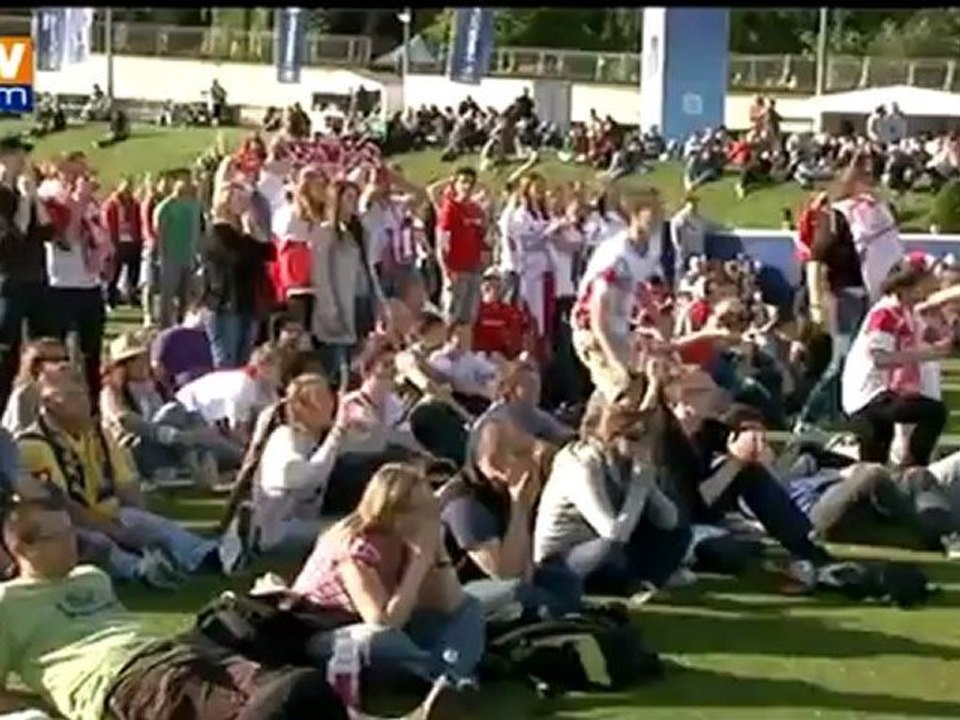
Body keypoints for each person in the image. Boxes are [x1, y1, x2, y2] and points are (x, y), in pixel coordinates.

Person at [0, 497, 359, 720]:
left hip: (175, 651)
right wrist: (47, 704)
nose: (73, 542)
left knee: (309, 690)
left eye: (71, 532)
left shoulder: (91, 577)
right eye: (58, 537)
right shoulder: (8, 602)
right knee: (286, 697)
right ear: (22, 548)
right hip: (124, 680)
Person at [16, 370, 250, 586]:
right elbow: (61, 508)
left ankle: (211, 555)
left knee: (144, 522)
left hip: (108, 515)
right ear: (48, 404)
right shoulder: (34, 445)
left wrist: (142, 529)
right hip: (65, 526)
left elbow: (127, 488)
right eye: (73, 396)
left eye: (84, 395)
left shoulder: (99, 435)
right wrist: (116, 532)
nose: (85, 403)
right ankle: (143, 571)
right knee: (97, 543)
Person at [291, 463, 485, 702]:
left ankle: (445, 678)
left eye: (430, 508)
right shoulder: (355, 546)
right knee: (382, 641)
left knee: (469, 607)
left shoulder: (406, 539)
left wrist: (439, 552)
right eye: (418, 510)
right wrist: (419, 563)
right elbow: (383, 623)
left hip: (391, 622)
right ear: (390, 511)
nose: (427, 517)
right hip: (328, 630)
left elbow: (450, 603)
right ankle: (448, 675)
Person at [534, 382, 689, 601]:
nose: (641, 443)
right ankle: (632, 583)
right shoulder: (581, 463)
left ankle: (641, 581)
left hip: (607, 542)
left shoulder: (626, 461)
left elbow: (669, 520)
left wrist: (649, 485)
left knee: (677, 531)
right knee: (611, 549)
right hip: (564, 557)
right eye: (632, 436)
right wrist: (638, 487)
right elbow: (612, 533)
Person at [441, 416, 582, 617]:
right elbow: (506, 575)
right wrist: (520, 506)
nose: (534, 457)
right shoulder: (464, 504)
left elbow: (527, 565)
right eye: (522, 453)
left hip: (513, 575)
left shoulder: (506, 489)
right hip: (465, 592)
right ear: (494, 464)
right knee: (538, 598)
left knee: (566, 582)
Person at [842, 257, 952, 466]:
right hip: (868, 396)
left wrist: (940, 336)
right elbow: (880, 358)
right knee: (933, 412)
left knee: (875, 464)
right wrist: (929, 354)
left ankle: (909, 470)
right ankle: (914, 468)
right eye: (928, 279)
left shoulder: (905, 310)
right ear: (911, 284)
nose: (934, 283)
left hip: (880, 396)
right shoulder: (885, 313)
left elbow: (927, 334)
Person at [249, 373, 369, 554]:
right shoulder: (284, 439)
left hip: (302, 523)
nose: (332, 404)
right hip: (278, 532)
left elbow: (369, 447)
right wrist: (337, 432)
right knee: (356, 534)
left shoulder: (311, 439)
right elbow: (306, 479)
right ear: (302, 409)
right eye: (323, 399)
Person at [571, 187, 664, 401]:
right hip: (592, 332)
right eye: (651, 213)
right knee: (623, 391)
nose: (657, 219)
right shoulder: (616, 256)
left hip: (618, 330)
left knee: (637, 386)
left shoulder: (647, 251)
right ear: (635, 215)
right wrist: (614, 362)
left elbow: (638, 287)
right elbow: (597, 317)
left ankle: (596, 414)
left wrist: (660, 326)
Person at [794, 191, 868, 433]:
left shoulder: (848, 231)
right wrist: (817, 306)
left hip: (855, 299)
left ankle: (836, 413)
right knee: (840, 361)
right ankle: (809, 417)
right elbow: (814, 267)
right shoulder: (828, 233)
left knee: (848, 362)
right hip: (844, 301)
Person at [0, 135, 55, 404]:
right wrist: (23, 200)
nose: (23, 160)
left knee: (45, 343)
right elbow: (15, 237)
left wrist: (34, 198)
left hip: (36, 276)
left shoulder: (26, 192)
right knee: (7, 348)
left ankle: (40, 399)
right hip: (9, 279)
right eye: (17, 154)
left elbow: (47, 230)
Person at [201, 181, 275, 368]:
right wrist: (250, 238)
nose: (244, 204)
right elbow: (237, 259)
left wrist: (253, 228)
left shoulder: (243, 234)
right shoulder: (218, 232)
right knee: (226, 362)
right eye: (239, 199)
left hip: (246, 304)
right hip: (225, 304)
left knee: (244, 362)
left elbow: (269, 252)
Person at [175, 342, 282, 449]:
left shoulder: (268, 388)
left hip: (213, 421)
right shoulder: (244, 387)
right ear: (263, 367)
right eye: (278, 366)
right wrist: (252, 449)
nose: (281, 372)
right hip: (187, 412)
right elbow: (236, 430)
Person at [312, 180, 364, 382]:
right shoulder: (325, 232)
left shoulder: (355, 231)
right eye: (349, 197)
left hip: (359, 299)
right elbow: (321, 274)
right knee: (337, 364)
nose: (354, 202)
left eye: (355, 197)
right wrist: (330, 307)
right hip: (337, 305)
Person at [437, 168, 488, 326]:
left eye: (471, 183)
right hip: (456, 269)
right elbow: (442, 241)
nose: (467, 186)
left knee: (469, 316)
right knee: (452, 315)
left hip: (473, 269)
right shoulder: (450, 208)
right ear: (455, 184)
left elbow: (482, 238)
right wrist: (446, 270)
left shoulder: (476, 210)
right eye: (463, 182)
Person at [153, 177, 204, 329]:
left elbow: (198, 230)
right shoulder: (166, 207)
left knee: (187, 295)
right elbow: (159, 231)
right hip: (170, 256)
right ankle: (165, 326)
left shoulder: (195, 206)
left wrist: (197, 252)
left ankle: (183, 325)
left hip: (189, 256)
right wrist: (161, 254)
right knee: (168, 295)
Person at [1, 338, 70, 436]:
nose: (63, 365)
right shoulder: (25, 394)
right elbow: (22, 434)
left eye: (65, 359)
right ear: (36, 365)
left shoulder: (69, 391)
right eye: (54, 360)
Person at [102, 176, 143, 308]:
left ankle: (131, 295)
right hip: (117, 242)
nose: (127, 191)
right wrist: (110, 240)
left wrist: (138, 238)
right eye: (125, 187)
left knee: (133, 271)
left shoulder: (134, 204)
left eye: (129, 188)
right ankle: (110, 297)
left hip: (132, 241)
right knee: (115, 271)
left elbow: (139, 221)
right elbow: (107, 223)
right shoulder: (111, 204)